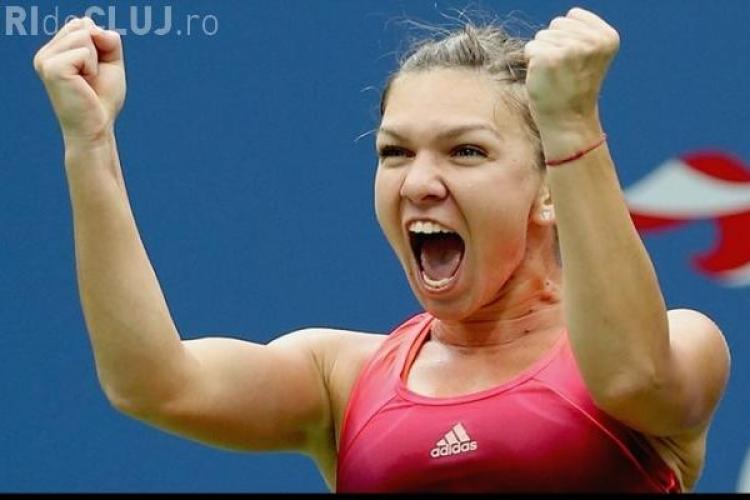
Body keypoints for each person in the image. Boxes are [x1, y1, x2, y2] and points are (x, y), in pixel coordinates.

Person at [33, 6, 730, 493]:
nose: (419, 183)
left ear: (548, 190)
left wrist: (572, 124)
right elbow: (153, 383)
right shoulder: (339, 378)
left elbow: (634, 380)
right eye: (395, 152)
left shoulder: (682, 345)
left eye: (466, 151)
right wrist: (89, 144)